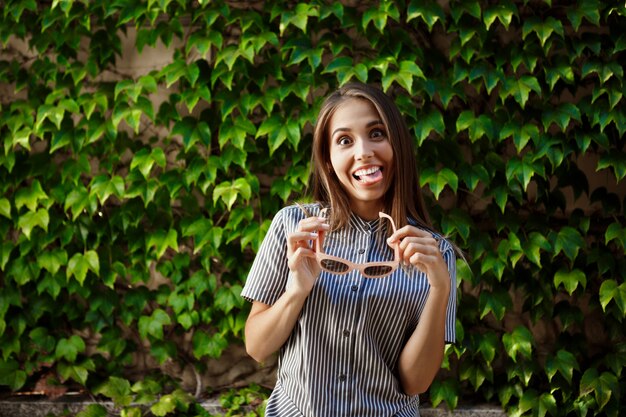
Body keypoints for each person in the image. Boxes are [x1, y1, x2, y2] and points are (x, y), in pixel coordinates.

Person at [241, 82, 457, 417]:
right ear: (328, 160)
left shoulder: (434, 254)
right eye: (345, 140)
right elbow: (257, 347)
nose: (363, 152)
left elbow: (416, 383)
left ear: (397, 144)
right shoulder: (293, 228)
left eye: (376, 133)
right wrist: (296, 291)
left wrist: (440, 289)